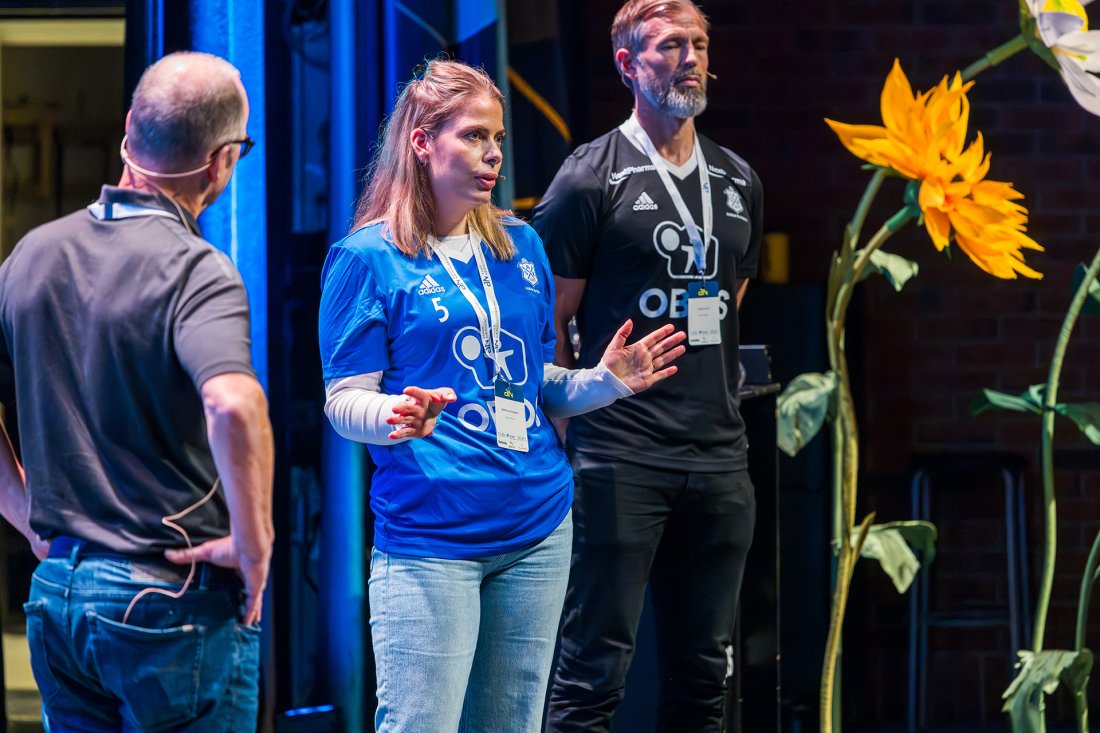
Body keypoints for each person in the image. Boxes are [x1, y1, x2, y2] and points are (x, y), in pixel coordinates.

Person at [317, 58, 686, 733]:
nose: (492, 156)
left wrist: (604, 381)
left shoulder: (521, 247)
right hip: (432, 535)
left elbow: (527, 381)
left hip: (537, 528)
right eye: (473, 137)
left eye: (498, 140)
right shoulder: (367, 258)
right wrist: (395, 414)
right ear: (423, 142)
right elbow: (344, 400)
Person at [0, 52, 274, 732]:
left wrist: (24, 508)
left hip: (59, 596)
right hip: (170, 598)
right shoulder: (198, 271)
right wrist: (253, 540)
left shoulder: (32, 253)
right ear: (222, 162)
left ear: (130, 128)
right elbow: (234, 403)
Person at [533, 1, 762, 730]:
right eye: (670, 46)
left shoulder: (737, 179)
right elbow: (550, 323)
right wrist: (570, 424)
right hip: (618, 457)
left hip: (719, 458)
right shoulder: (587, 177)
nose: (690, 57)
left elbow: (727, 304)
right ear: (628, 64)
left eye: (698, 43)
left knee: (705, 675)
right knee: (593, 669)